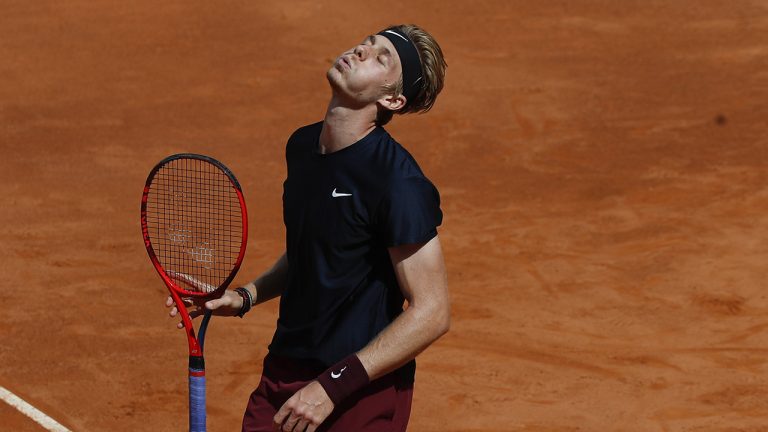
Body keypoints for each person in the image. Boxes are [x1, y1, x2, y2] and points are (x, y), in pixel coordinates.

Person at [167, 23, 449, 432]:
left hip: (358, 391)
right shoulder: (302, 147)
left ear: (393, 98)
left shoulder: (397, 182)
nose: (362, 50)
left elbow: (433, 311)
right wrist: (245, 297)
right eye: (368, 43)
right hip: (285, 370)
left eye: (381, 57)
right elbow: (317, 251)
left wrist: (332, 387)